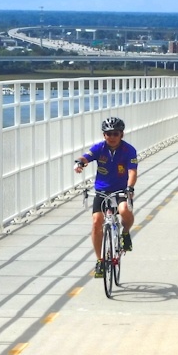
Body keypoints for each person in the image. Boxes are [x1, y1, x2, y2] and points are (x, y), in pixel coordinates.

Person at [74, 117, 138, 278]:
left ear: (121, 134)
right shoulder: (99, 148)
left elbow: (132, 171)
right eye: (108, 134)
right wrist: (79, 163)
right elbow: (85, 157)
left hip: (120, 190)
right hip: (102, 191)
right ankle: (100, 261)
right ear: (104, 135)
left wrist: (130, 187)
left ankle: (125, 233)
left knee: (124, 211)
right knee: (96, 222)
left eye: (115, 133)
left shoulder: (129, 150)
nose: (112, 137)